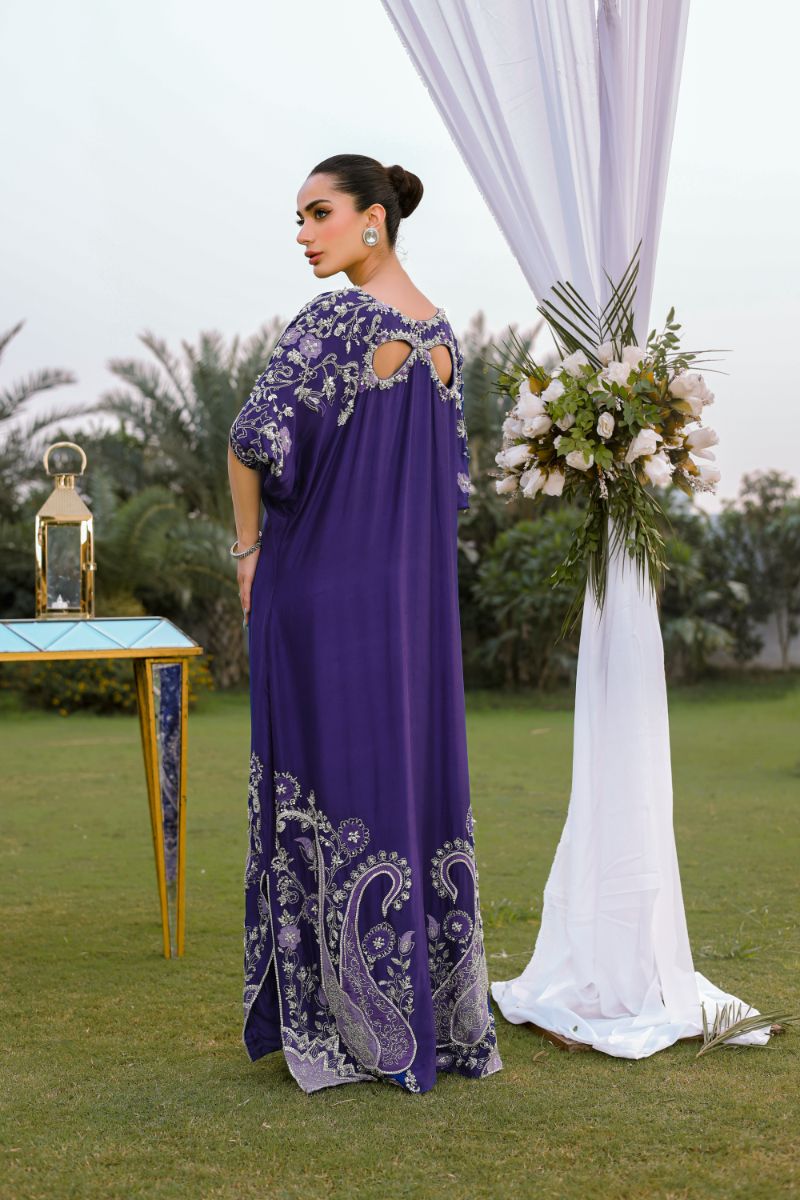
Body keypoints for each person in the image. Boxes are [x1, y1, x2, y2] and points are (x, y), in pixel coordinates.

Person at [227, 153, 502, 1094]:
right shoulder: (444, 341)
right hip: (410, 612)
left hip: (315, 596)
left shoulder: (336, 322)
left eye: (320, 213)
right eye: (301, 219)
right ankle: (428, 1016)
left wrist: (248, 553)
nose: (306, 234)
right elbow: (446, 490)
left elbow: (249, 442)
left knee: (322, 793)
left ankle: (337, 1019)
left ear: (373, 218)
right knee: (405, 785)